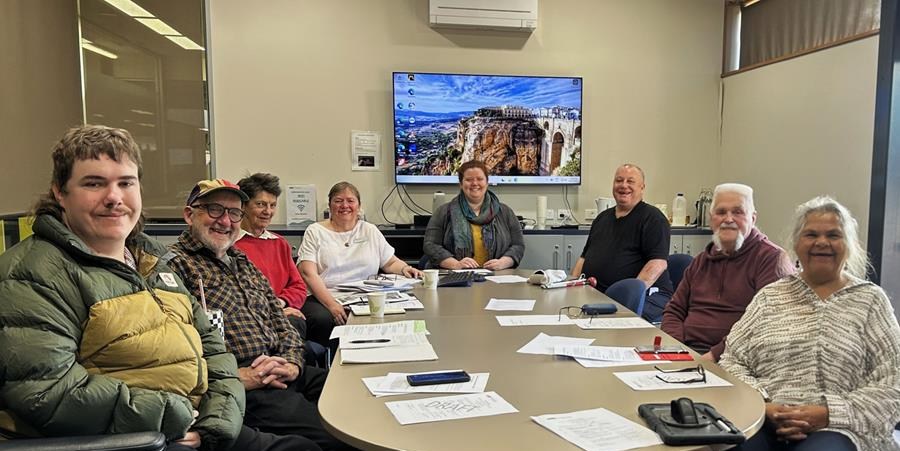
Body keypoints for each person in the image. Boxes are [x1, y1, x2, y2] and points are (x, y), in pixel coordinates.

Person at [0, 125, 305, 451]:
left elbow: (213, 349)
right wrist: (178, 416)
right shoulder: (30, 275)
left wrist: (217, 422)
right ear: (60, 193)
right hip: (133, 439)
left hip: (194, 422)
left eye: (126, 183)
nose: (114, 197)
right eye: (94, 183)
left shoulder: (152, 261)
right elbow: (48, 391)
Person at [167, 179, 352, 451]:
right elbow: (175, 353)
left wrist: (292, 363)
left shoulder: (242, 262)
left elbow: (281, 321)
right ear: (189, 214)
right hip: (246, 382)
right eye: (215, 210)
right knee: (340, 435)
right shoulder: (174, 268)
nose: (225, 221)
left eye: (234, 213)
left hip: (281, 367)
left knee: (357, 394)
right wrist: (235, 376)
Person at [721, 196, 900, 451]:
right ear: (796, 243)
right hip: (765, 420)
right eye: (811, 234)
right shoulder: (770, 296)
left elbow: (893, 381)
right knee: (728, 446)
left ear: (849, 244)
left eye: (834, 235)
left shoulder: (870, 301)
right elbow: (732, 360)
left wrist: (828, 413)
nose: (822, 242)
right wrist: (764, 405)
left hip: (841, 427)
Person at [661, 183, 794, 361]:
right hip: (688, 353)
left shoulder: (771, 259)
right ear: (711, 219)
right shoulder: (701, 260)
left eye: (738, 212)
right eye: (721, 212)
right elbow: (674, 310)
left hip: (736, 361)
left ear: (753, 218)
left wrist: (712, 357)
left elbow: (763, 325)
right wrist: (676, 350)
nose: (728, 219)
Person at [298, 182, 422, 338]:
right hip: (325, 296)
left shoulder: (369, 230)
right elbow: (308, 273)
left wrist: (405, 268)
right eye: (338, 201)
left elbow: (390, 262)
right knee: (322, 319)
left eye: (350, 201)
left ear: (359, 206)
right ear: (329, 206)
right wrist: (332, 305)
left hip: (365, 295)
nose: (345, 206)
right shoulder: (315, 231)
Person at [571, 164, 673, 322]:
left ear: (642, 187)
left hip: (645, 298)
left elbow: (658, 264)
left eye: (630, 181)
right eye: (619, 180)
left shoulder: (653, 218)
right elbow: (583, 258)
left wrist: (629, 298)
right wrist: (571, 288)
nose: (624, 185)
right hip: (599, 296)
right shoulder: (602, 218)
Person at [235, 173, 309, 338]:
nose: (267, 211)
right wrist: (274, 310)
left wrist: (280, 303)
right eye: (260, 204)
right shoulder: (229, 246)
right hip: (249, 320)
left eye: (272, 205)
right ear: (243, 206)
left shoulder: (279, 243)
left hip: (281, 311)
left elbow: (298, 286)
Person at [422, 160, 524, 270]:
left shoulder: (505, 212)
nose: (475, 183)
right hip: (455, 275)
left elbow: (518, 246)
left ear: (487, 182)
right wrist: (455, 264)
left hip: (496, 275)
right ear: (461, 184)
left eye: (480, 179)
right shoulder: (443, 212)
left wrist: (503, 263)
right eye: (469, 180)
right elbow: (430, 245)